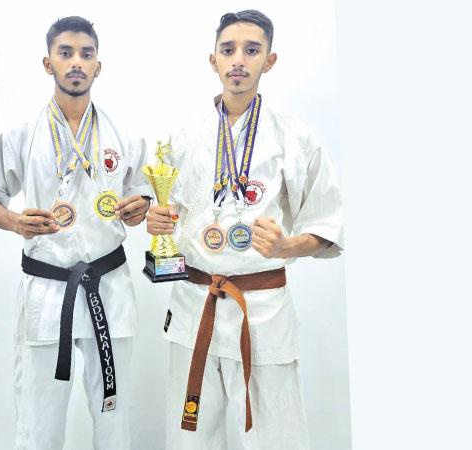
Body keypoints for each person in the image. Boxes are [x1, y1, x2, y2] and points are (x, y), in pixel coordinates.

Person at [146, 10, 344, 450]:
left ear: (269, 61)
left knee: (275, 437)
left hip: (261, 310)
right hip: (195, 303)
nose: (239, 60)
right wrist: (155, 219)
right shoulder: (181, 137)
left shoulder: (295, 138)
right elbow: (164, 210)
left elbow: (327, 221)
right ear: (212, 60)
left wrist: (287, 244)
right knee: (189, 437)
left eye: (251, 50)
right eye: (228, 50)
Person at [0, 16, 151, 450]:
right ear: (48, 63)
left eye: (86, 54)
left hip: (107, 289)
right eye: (66, 53)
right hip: (48, 292)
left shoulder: (122, 135)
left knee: (114, 415)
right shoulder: (20, 136)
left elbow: (143, 196)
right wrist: (15, 221)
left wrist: (138, 209)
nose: (76, 63)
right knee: (40, 420)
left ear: (98, 66)